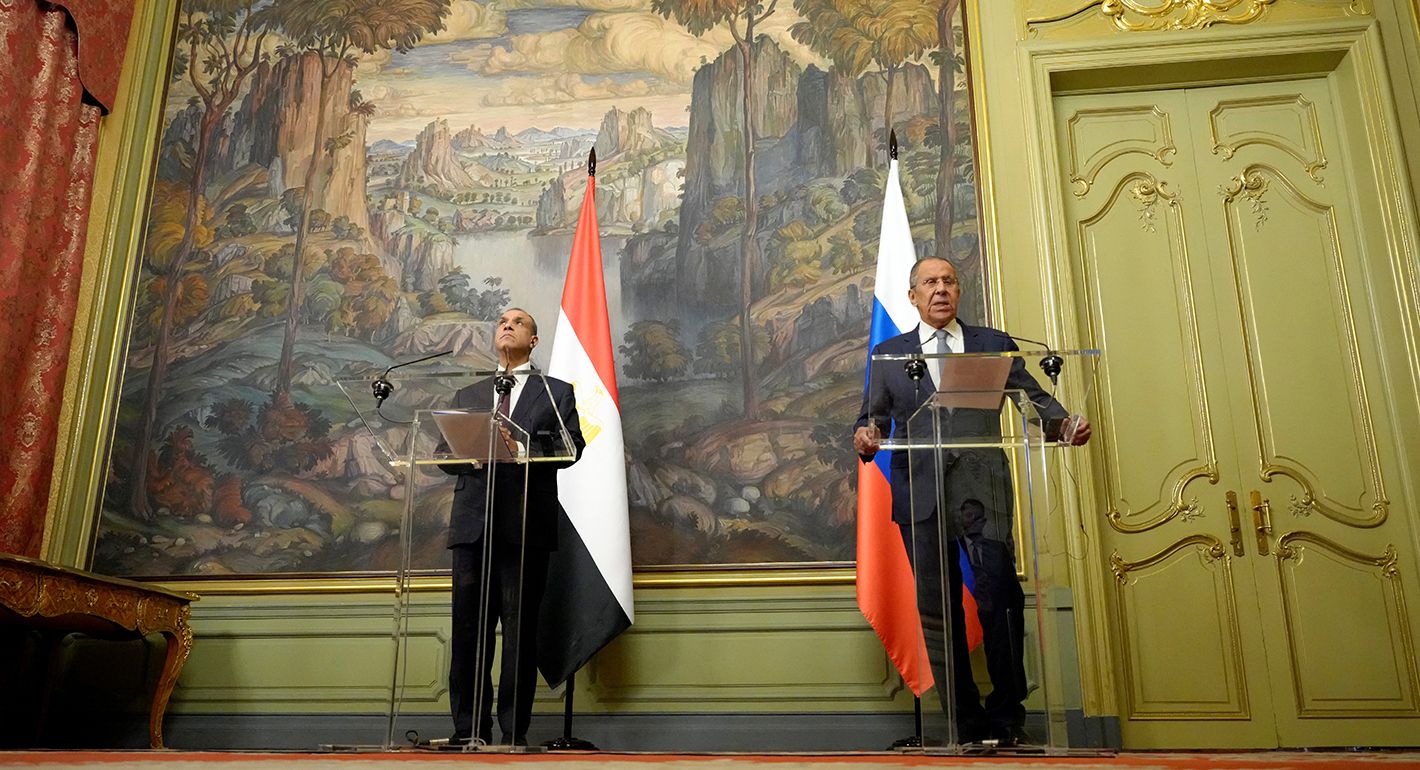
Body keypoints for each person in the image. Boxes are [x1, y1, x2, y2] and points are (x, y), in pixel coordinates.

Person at [853, 257, 1091, 746]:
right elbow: (871, 418)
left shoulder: (992, 344)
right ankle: (964, 720)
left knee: (1000, 597)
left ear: (959, 291)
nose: (941, 290)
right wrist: (866, 434)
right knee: (937, 609)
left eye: (949, 281)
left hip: (982, 492)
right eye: (930, 283)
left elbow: (1033, 399)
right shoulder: (890, 353)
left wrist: (1062, 424)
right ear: (913, 296)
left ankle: (1008, 717)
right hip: (921, 495)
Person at [442, 307, 585, 746]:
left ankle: (511, 736)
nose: (507, 325)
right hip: (473, 527)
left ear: (534, 341)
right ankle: (468, 731)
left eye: (518, 322)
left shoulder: (556, 392)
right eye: (502, 321)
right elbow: (443, 454)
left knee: (518, 635)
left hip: (525, 528)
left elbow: (571, 447)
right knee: (468, 633)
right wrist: (471, 451)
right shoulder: (468, 393)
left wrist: (519, 446)